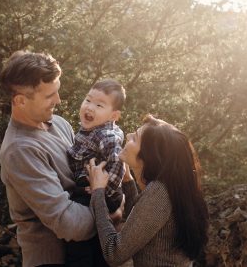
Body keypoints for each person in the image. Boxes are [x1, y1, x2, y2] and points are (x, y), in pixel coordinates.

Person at [0, 51, 95, 267]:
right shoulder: (19, 150)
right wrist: (109, 217)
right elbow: (68, 223)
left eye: (57, 92)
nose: (58, 100)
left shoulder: (59, 123)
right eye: (49, 96)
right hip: (52, 260)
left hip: (85, 254)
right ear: (20, 101)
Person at [87, 114, 209, 267]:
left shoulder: (159, 192)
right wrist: (128, 180)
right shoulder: (168, 189)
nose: (128, 135)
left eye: (135, 138)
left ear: (148, 156)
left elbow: (114, 253)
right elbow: (141, 225)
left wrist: (97, 191)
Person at [65, 79, 126, 266]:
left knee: (78, 243)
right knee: (97, 243)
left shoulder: (105, 135)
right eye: (88, 100)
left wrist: (103, 190)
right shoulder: (91, 129)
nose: (90, 107)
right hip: (94, 189)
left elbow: (118, 161)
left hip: (99, 192)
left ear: (113, 115)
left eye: (99, 105)